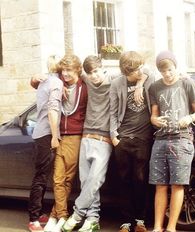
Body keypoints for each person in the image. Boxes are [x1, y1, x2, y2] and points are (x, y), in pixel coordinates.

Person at [62, 55, 146, 232]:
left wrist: (139, 84)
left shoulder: (115, 80)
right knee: (86, 182)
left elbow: (141, 70)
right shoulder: (87, 80)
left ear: (103, 68)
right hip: (86, 136)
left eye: (96, 71)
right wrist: (51, 81)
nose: (93, 75)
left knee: (95, 179)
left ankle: (77, 214)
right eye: (90, 73)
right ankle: (92, 219)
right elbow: (68, 72)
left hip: (104, 139)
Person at [31, 54, 88, 232]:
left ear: (77, 70)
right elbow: (39, 83)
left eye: (69, 70)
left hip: (74, 135)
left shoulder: (84, 86)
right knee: (57, 178)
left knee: (67, 179)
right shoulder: (58, 83)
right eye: (63, 70)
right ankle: (62, 215)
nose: (66, 74)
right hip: (58, 135)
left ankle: (57, 215)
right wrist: (33, 78)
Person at [148, 51, 195, 232]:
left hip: (182, 139)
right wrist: (154, 120)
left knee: (177, 184)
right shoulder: (155, 88)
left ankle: (171, 228)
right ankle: (157, 227)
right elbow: (153, 116)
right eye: (163, 71)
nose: (167, 74)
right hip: (161, 139)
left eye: (170, 70)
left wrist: (189, 118)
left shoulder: (187, 83)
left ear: (175, 67)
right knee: (160, 185)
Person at [109, 51, 155, 232]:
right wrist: (114, 136)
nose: (141, 70)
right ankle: (126, 222)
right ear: (128, 71)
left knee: (141, 179)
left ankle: (141, 220)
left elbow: (154, 69)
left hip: (143, 138)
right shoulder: (116, 83)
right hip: (123, 139)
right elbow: (112, 111)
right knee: (123, 180)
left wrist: (140, 83)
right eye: (137, 69)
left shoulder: (147, 77)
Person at [28, 55, 63, 232]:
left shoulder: (45, 81)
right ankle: (34, 219)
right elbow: (52, 110)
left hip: (39, 133)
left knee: (42, 176)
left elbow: (34, 84)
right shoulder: (56, 83)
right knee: (41, 177)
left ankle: (38, 212)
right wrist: (55, 136)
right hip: (46, 134)